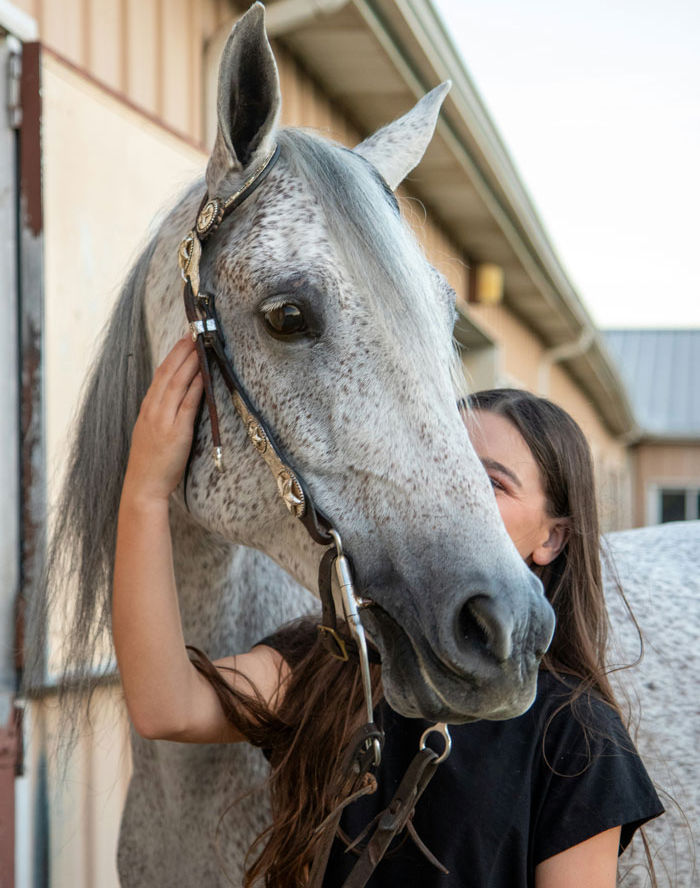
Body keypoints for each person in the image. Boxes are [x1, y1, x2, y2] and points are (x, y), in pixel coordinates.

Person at [113, 337, 663, 888]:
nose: (454, 497)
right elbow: (167, 706)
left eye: (492, 484)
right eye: (443, 469)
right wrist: (146, 491)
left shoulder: (578, 736)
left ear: (552, 539)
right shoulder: (333, 662)